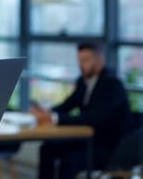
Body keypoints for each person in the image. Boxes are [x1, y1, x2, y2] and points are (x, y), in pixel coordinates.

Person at [30, 41, 133, 179]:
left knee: (69, 158)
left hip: (108, 147)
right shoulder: (83, 81)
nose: (81, 65)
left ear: (100, 60)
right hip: (87, 140)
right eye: (79, 60)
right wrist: (46, 112)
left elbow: (93, 119)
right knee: (48, 148)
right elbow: (67, 105)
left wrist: (54, 118)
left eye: (85, 60)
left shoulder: (112, 85)